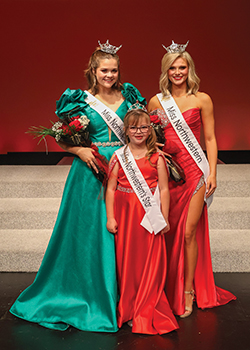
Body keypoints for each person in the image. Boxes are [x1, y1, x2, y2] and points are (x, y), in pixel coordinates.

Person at [10, 40, 146, 332]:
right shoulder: (79, 100)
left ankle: (127, 297)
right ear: (93, 71)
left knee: (124, 231)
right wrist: (78, 151)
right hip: (90, 170)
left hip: (124, 167)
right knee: (91, 234)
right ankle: (93, 295)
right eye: (103, 71)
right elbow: (61, 136)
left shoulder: (129, 95)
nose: (109, 75)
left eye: (113, 70)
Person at [148, 40, 236, 318]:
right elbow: (153, 139)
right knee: (170, 232)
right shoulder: (155, 101)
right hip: (169, 174)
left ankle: (188, 292)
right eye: (172, 68)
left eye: (182, 67)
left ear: (190, 69)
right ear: (166, 71)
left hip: (195, 173)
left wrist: (213, 172)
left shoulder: (202, 99)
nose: (178, 72)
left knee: (188, 233)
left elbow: (209, 138)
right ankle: (168, 288)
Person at [106, 107, 179, 334]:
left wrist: (164, 216)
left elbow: (165, 190)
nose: (139, 131)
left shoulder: (157, 158)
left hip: (149, 218)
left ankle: (146, 304)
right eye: (134, 127)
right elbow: (110, 188)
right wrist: (110, 217)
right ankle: (128, 306)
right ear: (126, 130)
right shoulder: (118, 156)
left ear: (151, 129)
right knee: (127, 262)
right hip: (125, 217)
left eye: (144, 127)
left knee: (149, 260)